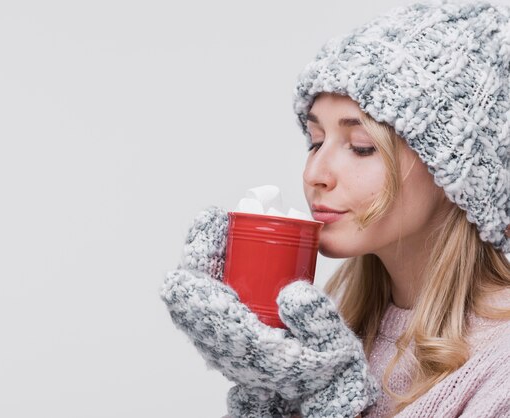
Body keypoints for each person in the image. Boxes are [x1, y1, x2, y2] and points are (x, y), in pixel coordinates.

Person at [160, 0, 510, 416]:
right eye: (315, 140)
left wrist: (334, 403)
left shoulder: (499, 367)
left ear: (457, 172)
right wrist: (267, 393)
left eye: (361, 147)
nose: (315, 173)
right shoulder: (333, 338)